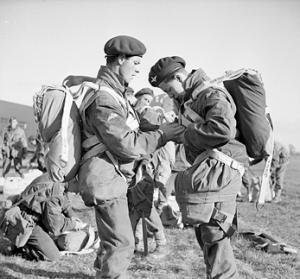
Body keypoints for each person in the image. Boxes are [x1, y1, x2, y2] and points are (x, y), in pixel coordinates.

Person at [65, 36, 184, 279]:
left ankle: (103, 273)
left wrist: (163, 129)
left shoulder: (114, 94)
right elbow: (126, 144)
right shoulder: (105, 98)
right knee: (122, 243)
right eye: (137, 63)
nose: (139, 69)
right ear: (120, 59)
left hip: (110, 179)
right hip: (105, 180)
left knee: (114, 242)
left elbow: (132, 128)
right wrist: (162, 135)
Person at [148, 56, 248, 279]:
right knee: (207, 234)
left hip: (221, 169)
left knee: (214, 234)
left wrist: (184, 134)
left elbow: (222, 129)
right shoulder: (191, 99)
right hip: (210, 170)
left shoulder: (209, 94)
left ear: (179, 77)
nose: (168, 94)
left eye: (168, 88)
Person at [0, 174, 90, 261]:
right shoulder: (55, 193)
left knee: (51, 241)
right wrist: (75, 224)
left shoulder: (58, 178)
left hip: (33, 216)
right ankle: (23, 248)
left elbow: (65, 203)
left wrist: (72, 216)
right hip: (27, 222)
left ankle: (27, 241)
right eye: (79, 189)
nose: (78, 193)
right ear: (74, 181)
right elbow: (55, 226)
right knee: (53, 256)